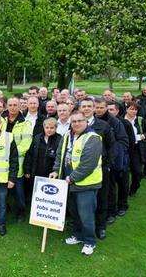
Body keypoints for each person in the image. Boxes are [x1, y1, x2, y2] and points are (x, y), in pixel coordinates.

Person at [50, 112, 103, 256]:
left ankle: (89, 242)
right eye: (74, 121)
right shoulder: (68, 135)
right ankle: (78, 236)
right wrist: (56, 170)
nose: (77, 123)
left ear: (87, 122)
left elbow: (88, 165)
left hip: (86, 184)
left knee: (86, 215)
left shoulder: (93, 138)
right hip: (68, 183)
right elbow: (60, 155)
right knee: (74, 213)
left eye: (80, 121)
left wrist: (71, 178)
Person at [80, 98, 115, 240]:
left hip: (100, 169)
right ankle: (82, 226)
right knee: (82, 200)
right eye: (84, 106)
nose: (86, 109)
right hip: (80, 169)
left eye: (89, 106)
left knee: (101, 198)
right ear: (80, 108)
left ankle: (100, 227)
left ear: (94, 108)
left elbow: (111, 147)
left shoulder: (104, 125)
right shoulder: (75, 124)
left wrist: (107, 166)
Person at [94, 98, 129, 225]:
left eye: (101, 107)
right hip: (94, 161)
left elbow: (122, 141)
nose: (99, 110)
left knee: (109, 189)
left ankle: (111, 212)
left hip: (109, 161)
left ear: (106, 107)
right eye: (96, 107)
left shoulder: (115, 122)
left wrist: (112, 160)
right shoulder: (91, 121)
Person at [1, 97, 33, 221]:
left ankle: (21, 211)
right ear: (7, 106)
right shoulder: (1, 120)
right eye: (10, 104)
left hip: (17, 161)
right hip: (1, 161)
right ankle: (6, 208)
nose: (13, 107)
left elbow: (26, 142)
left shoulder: (26, 123)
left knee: (18, 189)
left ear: (20, 106)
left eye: (15, 105)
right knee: (3, 188)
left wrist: (12, 153)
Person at [24, 118, 61, 182]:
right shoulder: (37, 138)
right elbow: (29, 154)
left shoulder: (60, 139)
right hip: (36, 173)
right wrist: (27, 170)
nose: (49, 130)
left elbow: (60, 158)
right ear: (44, 127)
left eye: (52, 128)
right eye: (47, 127)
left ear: (56, 128)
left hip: (51, 175)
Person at [124, 102, 146, 195]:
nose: (133, 111)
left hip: (136, 149)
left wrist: (142, 136)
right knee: (123, 171)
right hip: (125, 149)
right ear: (126, 109)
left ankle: (133, 188)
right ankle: (123, 191)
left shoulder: (140, 120)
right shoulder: (120, 120)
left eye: (135, 109)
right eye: (131, 109)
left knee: (137, 172)